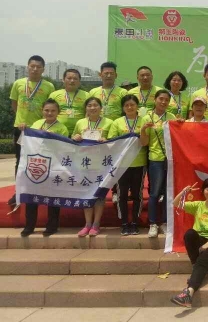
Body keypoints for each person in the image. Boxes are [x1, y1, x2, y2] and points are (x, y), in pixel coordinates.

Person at [170, 177, 208, 308]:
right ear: (203, 191)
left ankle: (189, 293)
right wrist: (185, 191)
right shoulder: (198, 205)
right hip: (200, 240)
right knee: (190, 234)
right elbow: (175, 203)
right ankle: (195, 267)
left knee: (202, 261)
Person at [9, 55, 54, 209]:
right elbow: (14, 104)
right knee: (20, 160)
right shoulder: (18, 83)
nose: (35, 69)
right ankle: (18, 191)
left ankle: (40, 189)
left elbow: (50, 107)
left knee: (41, 160)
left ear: (43, 69)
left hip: (40, 130)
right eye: (32, 66)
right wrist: (21, 119)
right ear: (27, 67)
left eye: (38, 67)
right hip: (21, 128)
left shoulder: (49, 86)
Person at [20, 99, 68, 237]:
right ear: (42, 111)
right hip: (35, 165)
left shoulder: (62, 128)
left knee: (52, 197)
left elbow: (64, 148)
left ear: (58, 112)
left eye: (53, 110)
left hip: (53, 166)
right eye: (47, 110)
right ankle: (29, 226)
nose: (49, 113)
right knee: (31, 196)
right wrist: (24, 129)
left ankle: (52, 226)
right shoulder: (36, 124)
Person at [71, 97, 114, 237]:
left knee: (99, 196)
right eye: (89, 105)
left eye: (96, 105)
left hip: (102, 164)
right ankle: (87, 224)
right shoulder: (80, 122)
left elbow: (114, 143)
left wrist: (106, 141)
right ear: (86, 108)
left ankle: (96, 224)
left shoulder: (109, 122)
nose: (93, 108)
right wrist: (75, 138)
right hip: (84, 163)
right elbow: (73, 140)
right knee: (86, 194)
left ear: (101, 108)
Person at [108, 94, 149, 236]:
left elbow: (145, 142)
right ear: (123, 108)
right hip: (122, 164)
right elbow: (113, 142)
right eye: (126, 105)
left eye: (132, 104)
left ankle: (135, 222)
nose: (130, 107)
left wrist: (141, 132)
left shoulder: (144, 121)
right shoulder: (117, 122)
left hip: (139, 163)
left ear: (137, 106)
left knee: (137, 195)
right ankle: (125, 223)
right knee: (122, 195)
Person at [140, 90, 176, 238]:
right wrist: (143, 129)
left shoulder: (171, 117)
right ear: (155, 100)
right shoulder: (147, 118)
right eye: (161, 99)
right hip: (155, 159)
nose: (163, 102)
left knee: (168, 193)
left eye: (166, 100)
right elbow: (144, 143)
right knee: (154, 193)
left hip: (170, 159)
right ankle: (153, 223)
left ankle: (165, 222)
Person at [48, 68, 89, 134]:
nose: (72, 81)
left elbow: (89, 114)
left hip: (79, 132)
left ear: (79, 81)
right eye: (69, 78)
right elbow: (47, 113)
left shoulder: (87, 95)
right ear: (63, 80)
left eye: (75, 79)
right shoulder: (54, 95)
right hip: (58, 131)